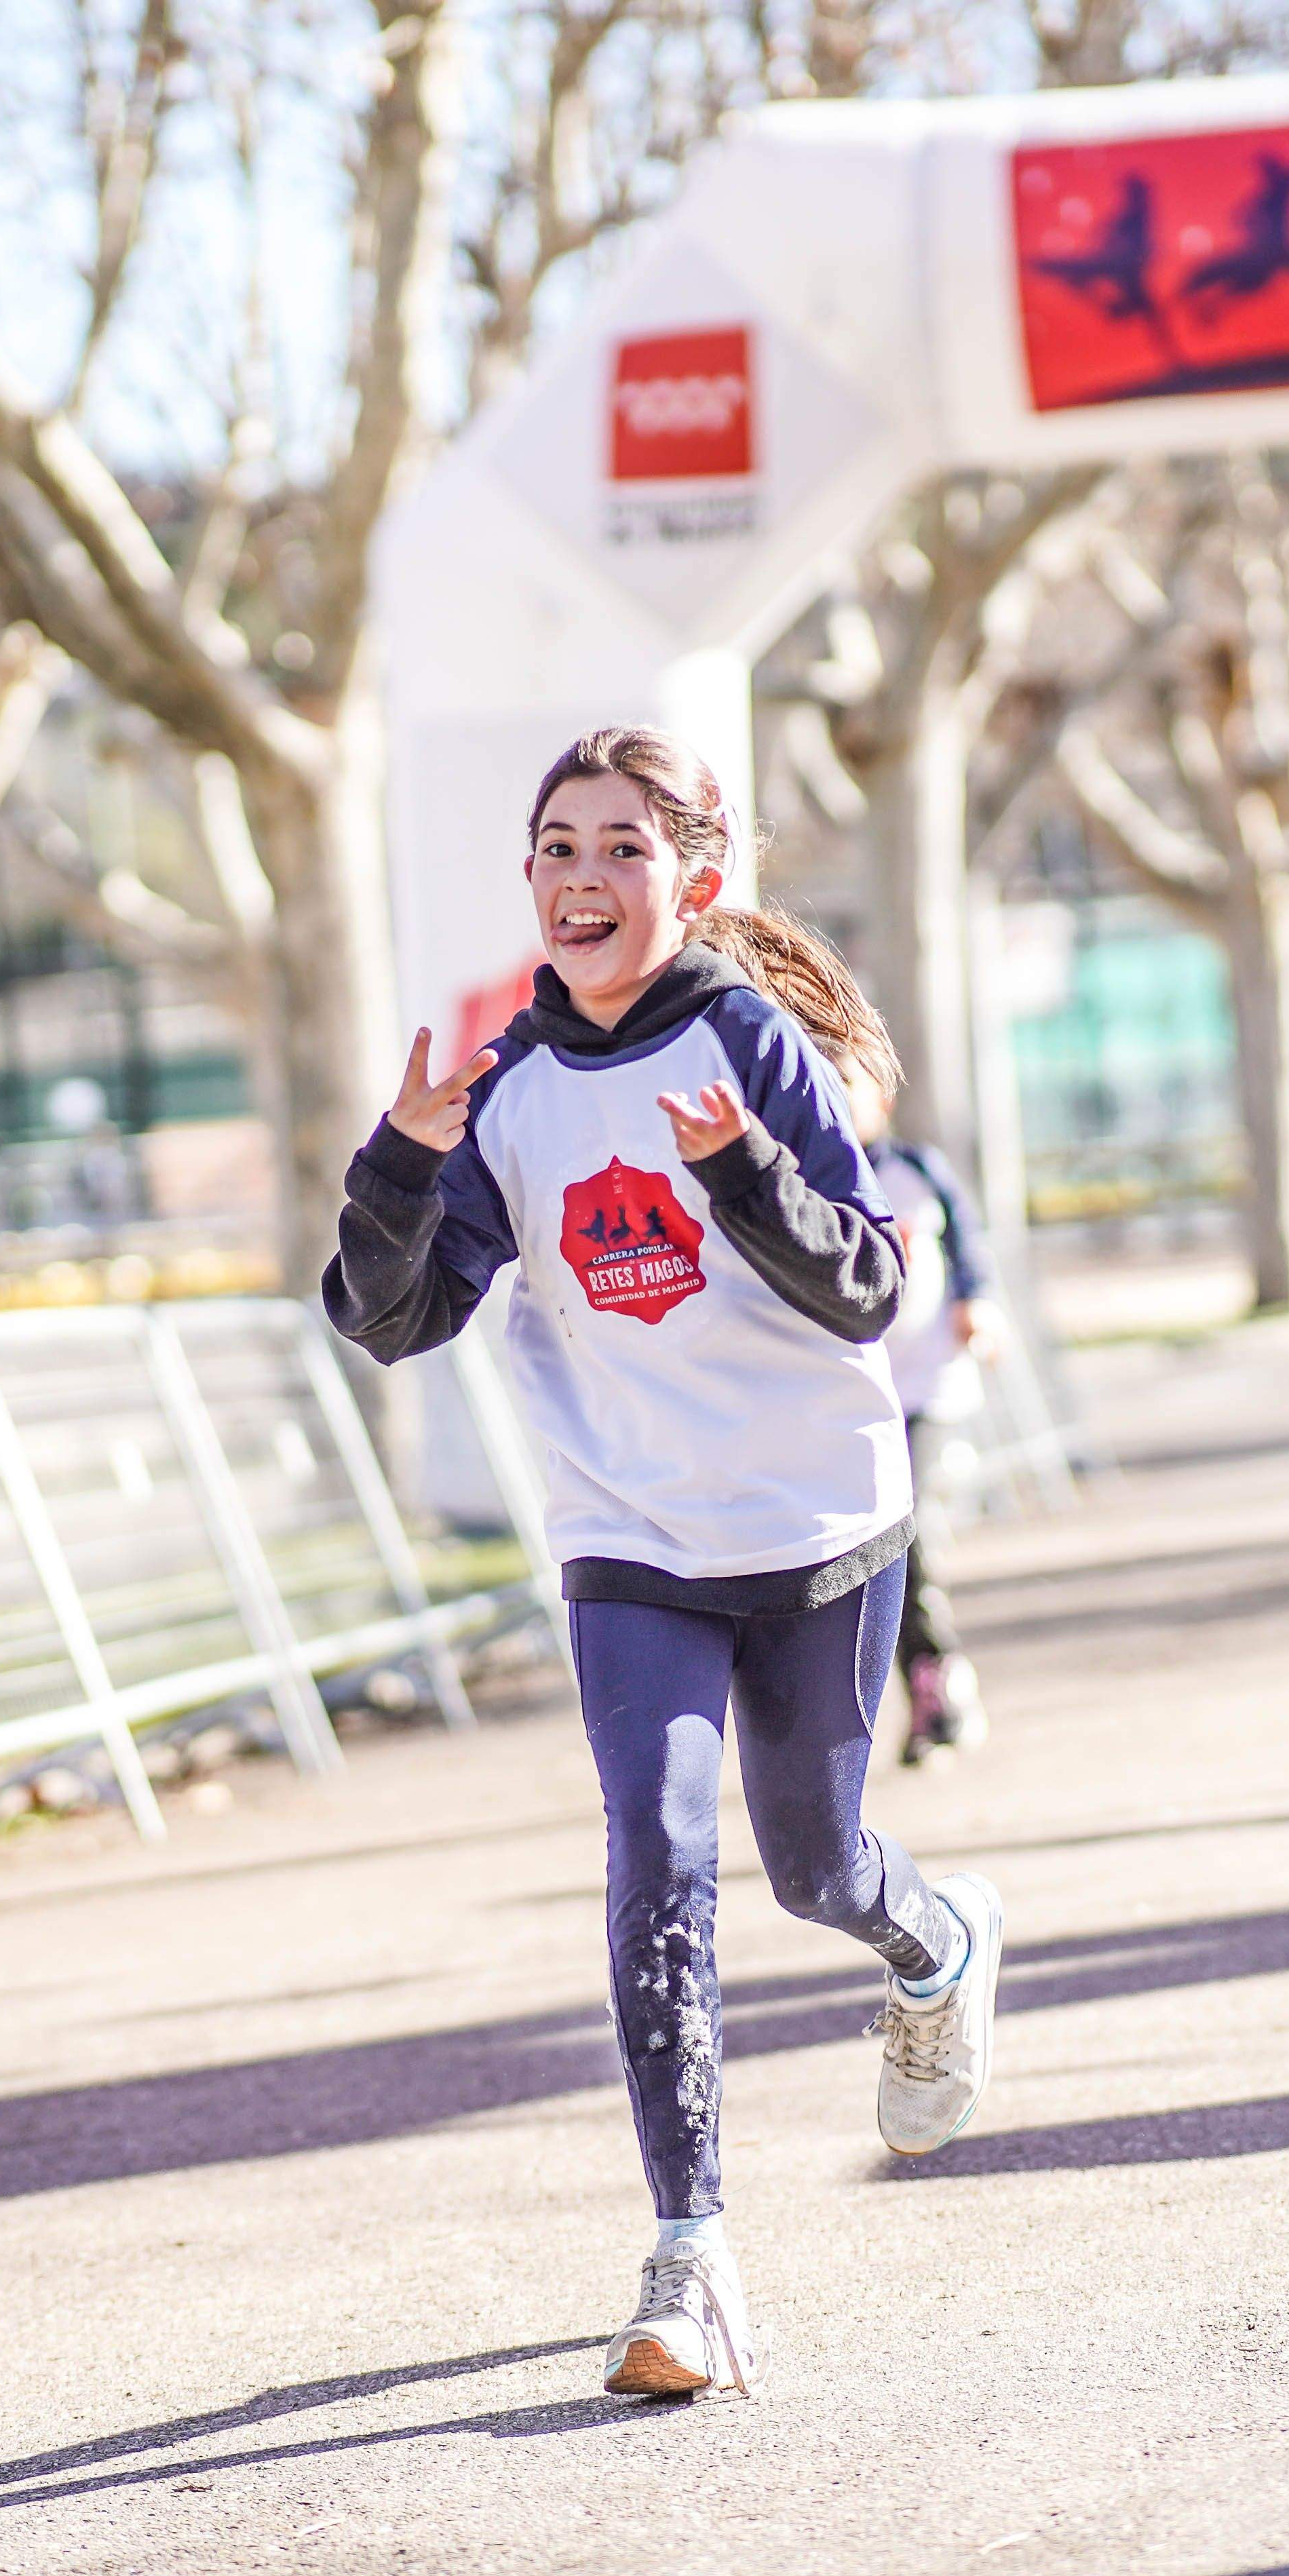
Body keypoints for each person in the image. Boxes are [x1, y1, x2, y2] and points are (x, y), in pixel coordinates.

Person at [324, 727, 1007, 2403]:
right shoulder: (504, 1094)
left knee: (817, 1865)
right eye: (554, 846)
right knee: (657, 1858)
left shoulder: (755, 1045)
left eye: (618, 847)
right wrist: (403, 1161)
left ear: (688, 878)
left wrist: (732, 1167)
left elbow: (862, 1283)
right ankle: (690, 2253)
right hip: (628, 1534)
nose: (578, 875)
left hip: (816, 1520)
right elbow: (389, 1319)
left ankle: (936, 1945)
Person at [688, 908, 995, 1765]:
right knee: (875, 1554)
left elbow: (970, 1250)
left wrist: (981, 1306)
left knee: (915, 1531)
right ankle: (922, 1683)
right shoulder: (792, 1177)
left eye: (848, 1081)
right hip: (845, 1400)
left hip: (925, 1387)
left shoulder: (913, 1172)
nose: (833, 1096)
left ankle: (938, 1680)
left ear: (880, 1097)